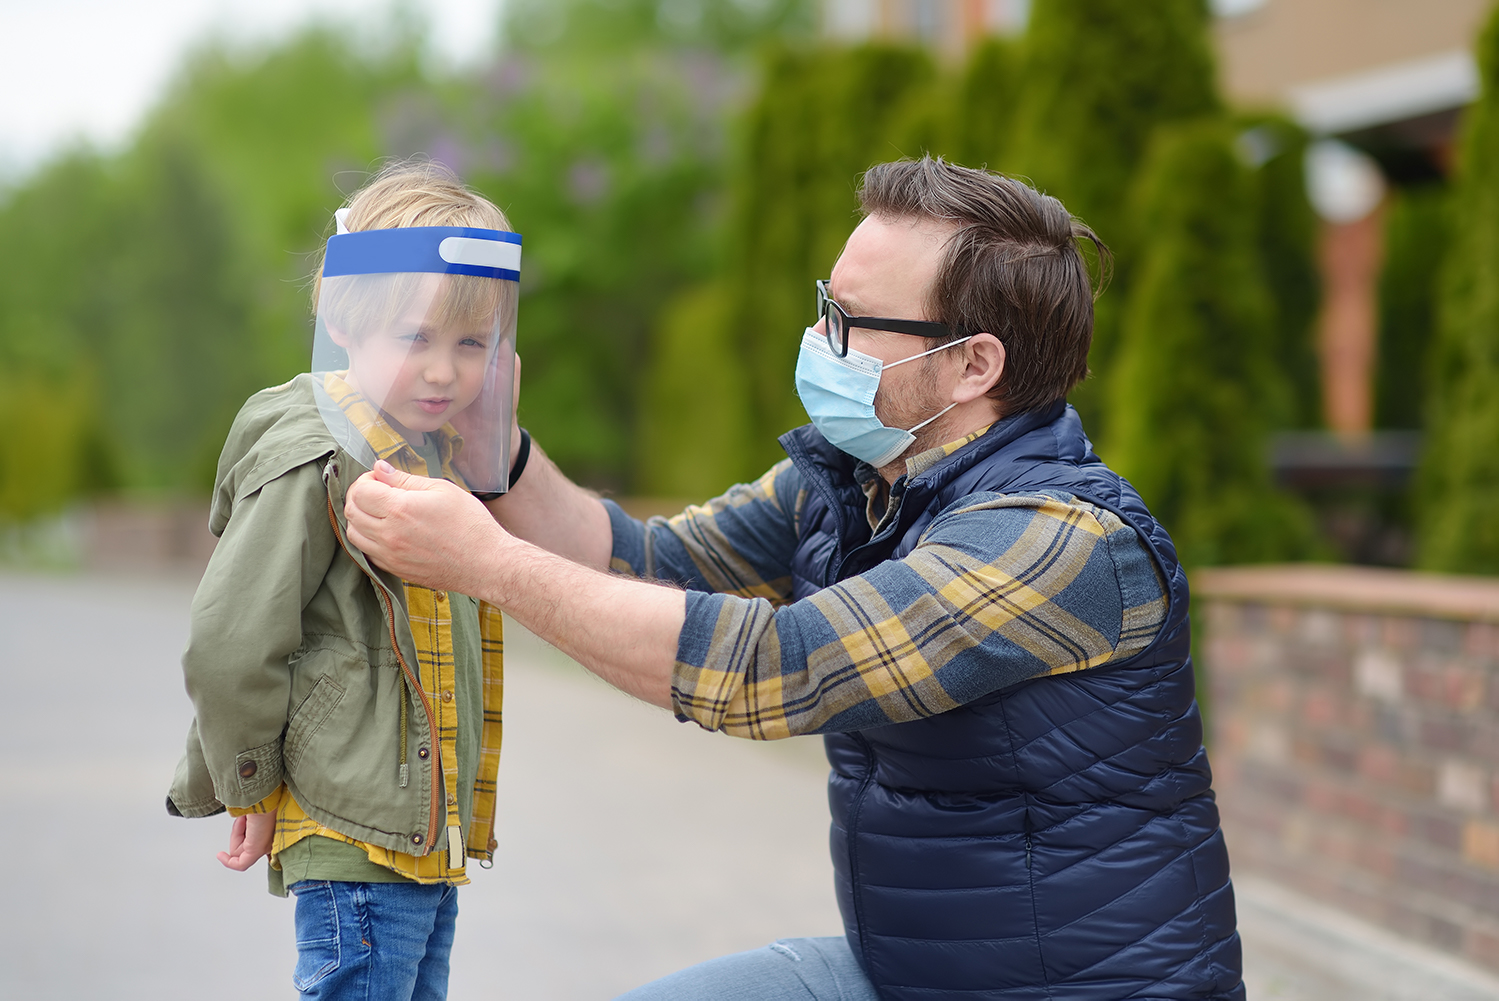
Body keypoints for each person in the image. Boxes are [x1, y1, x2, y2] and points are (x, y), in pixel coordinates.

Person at [344, 156, 1246, 1000]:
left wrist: (486, 563)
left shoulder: (1057, 543)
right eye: (825, 304)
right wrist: (493, 448)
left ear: (974, 363)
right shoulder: (858, 481)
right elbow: (648, 562)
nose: (817, 339)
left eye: (848, 323)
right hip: (914, 973)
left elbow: (770, 670)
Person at [166, 159, 522, 1000]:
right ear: (348, 322)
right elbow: (231, 639)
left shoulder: (428, 452)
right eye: (416, 337)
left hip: (416, 834)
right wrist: (243, 779)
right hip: (353, 834)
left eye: (470, 343)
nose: (444, 371)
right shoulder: (319, 454)